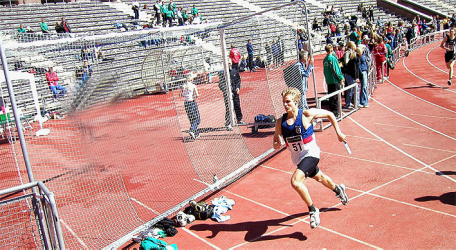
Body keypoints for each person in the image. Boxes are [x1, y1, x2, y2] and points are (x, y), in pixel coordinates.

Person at [273, 87, 349, 229]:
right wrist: (276, 142)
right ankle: (339, 190)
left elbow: (329, 114)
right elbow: (276, 146)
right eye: (284, 102)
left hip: (311, 153)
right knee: (320, 178)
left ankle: (313, 210)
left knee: (296, 181)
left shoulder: (306, 114)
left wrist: (339, 133)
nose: (285, 105)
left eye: (288, 102)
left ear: (296, 102)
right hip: (298, 158)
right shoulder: (280, 122)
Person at [323, 44, 344, 117]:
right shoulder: (332, 59)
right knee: (336, 97)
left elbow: (325, 70)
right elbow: (336, 70)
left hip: (329, 80)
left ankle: (332, 110)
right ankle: (336, 112)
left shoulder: (325, 59)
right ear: (331, 50)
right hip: (334, 80)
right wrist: (340, 78)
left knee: (331, 96)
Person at [180, 74, 200, 139]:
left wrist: (186, 95)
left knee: (191, 118)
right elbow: (197, 95)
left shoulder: (183, 86)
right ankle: (192, 129)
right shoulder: (193, 86)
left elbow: (180, 95)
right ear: (191, 79)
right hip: (192, 102)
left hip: (186, 103)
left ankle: (196, 134)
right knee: (197, 119)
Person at [342, 41, 360, 109]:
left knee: (353, 89)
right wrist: (351, 62)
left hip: (351, 73)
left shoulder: (353, 52)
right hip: (348, 73)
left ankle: (352, 102)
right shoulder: (348, 53)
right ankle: (348, 104)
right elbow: (346, 62)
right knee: (350, 89)